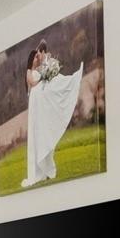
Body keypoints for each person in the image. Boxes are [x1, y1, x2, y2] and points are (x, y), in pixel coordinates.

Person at [20, 41, 84, 188]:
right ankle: (39, 171)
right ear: (31, 60)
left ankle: (70, 81)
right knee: (37, 134)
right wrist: (43, 76)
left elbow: (46, 70)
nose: (37, 59)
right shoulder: (29, 72)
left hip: (42, 103)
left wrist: (47, 71)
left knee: (56, 84)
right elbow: (33, 83)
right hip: (36, 105)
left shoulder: (40, 69)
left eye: (38, 56)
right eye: (35, 57)